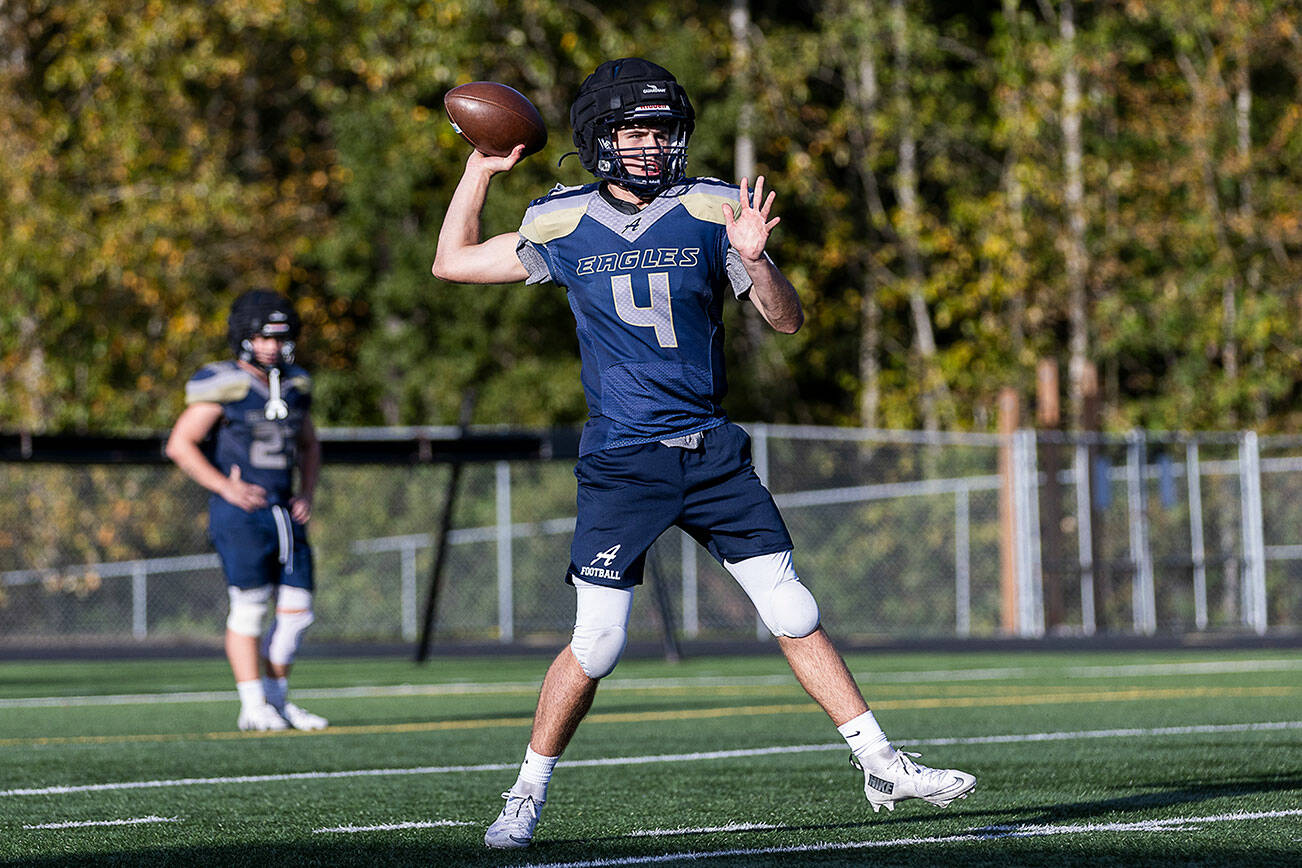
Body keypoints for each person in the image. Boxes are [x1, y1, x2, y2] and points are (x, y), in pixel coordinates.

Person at [432, 57, 975, 850]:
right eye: (635, 131)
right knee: (599, 641)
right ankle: (525, 794)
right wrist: (478, 171)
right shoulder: (559, 220)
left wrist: (756, 258)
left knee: (792, 608)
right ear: (600, 140)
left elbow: (786, 322)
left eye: (662, 131)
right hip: (623, 459)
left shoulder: (717, 208)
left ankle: (882, 761)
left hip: (710, 450)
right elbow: (452, 261)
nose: (653, 146)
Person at [166, 290, 328, 733]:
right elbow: (180, 444)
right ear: (245, 338)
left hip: (284, 511)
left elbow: (310, 444)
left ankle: (276, 701)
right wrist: (225, 487)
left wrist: (308, 492)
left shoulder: (295, 383)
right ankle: (253, 703)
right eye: (263, 338)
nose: (273, 347)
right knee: (251, 608)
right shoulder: (224, 385)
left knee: (298, 612)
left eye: (279, 338)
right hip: (241, 513)